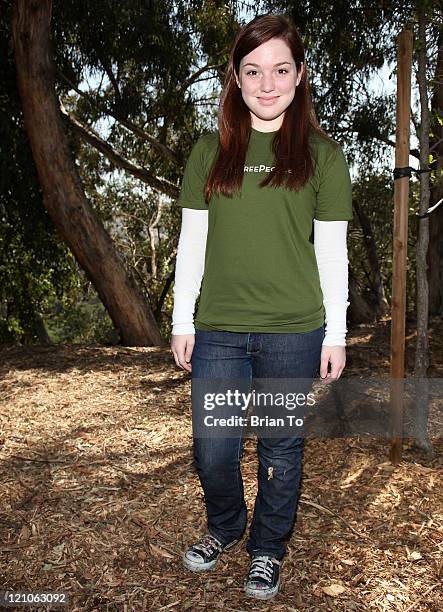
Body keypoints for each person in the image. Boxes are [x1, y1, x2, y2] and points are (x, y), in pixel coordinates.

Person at [170, 13, 353, 601]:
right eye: (253, 71)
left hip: (294, 331)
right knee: (213, 448)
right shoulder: (208, 151)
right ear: (236, 77)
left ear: (299, 77)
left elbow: (331, 252)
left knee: (280, 447)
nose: (267, 84)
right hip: (219, 330)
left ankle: (268, 549)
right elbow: (191, 244)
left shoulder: (323, 156)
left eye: (280, 70)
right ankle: (225, 525)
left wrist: (337, 333)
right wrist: (181, 319)